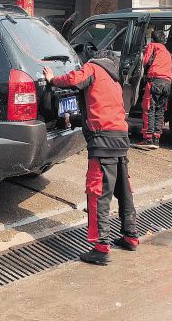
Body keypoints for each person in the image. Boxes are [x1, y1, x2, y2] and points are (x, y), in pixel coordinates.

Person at [43, 50, 138, 265]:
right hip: (120, 139)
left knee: (97, 194)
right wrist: (74, 119)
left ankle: (101, 247)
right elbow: (99, 108)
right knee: (124, 191)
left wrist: (52, 79)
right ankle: (130, 236)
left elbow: (73, 80)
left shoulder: (93, 68)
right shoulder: (113, 79)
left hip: (102, 143)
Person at [135, 29, 172, 149]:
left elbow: (145, 61)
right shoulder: (166, 51)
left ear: (152, 38)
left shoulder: (152, 46)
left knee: (149, 108)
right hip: (167, 84)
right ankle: (156, 138)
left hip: (155, 82)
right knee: (160, 110)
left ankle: (148, 139)